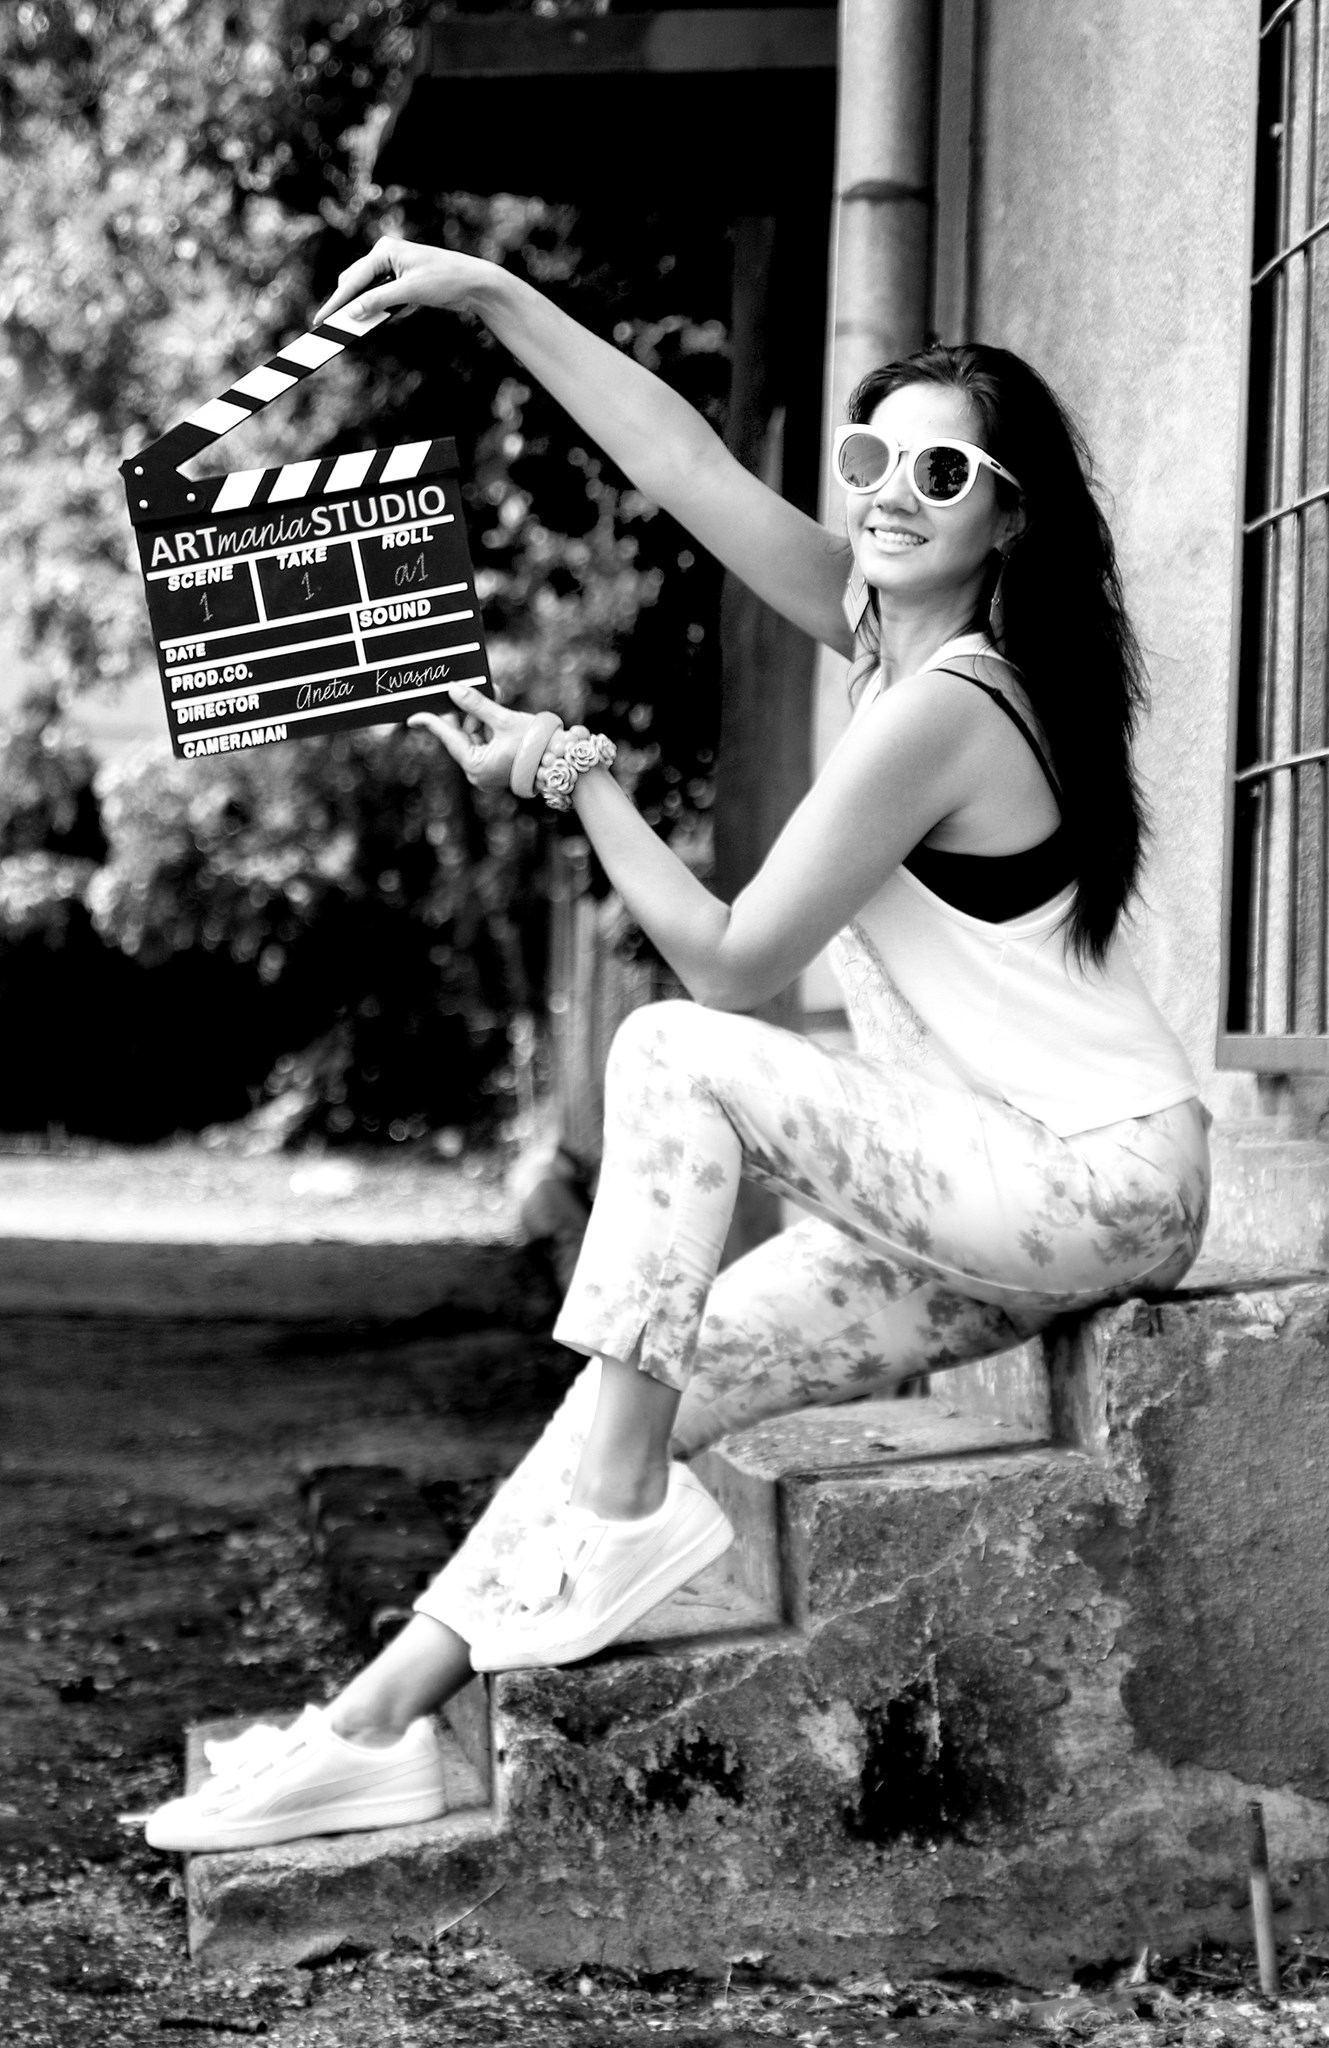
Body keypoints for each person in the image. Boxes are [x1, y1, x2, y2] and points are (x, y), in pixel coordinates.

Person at [144, 238, 1209, 1855]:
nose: (889, 494)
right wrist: (490, 295)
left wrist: (574, 780)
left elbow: (730, 960)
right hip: (983, 1188)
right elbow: (684, 461)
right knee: (638, 1380)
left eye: (939, 471)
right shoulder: (880, 640)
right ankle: (375, 1726)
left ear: (1011, 518)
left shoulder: (955, 700)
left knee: (672, 1049)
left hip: (1090, 1183)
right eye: (868, 458)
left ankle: (625, 1518)